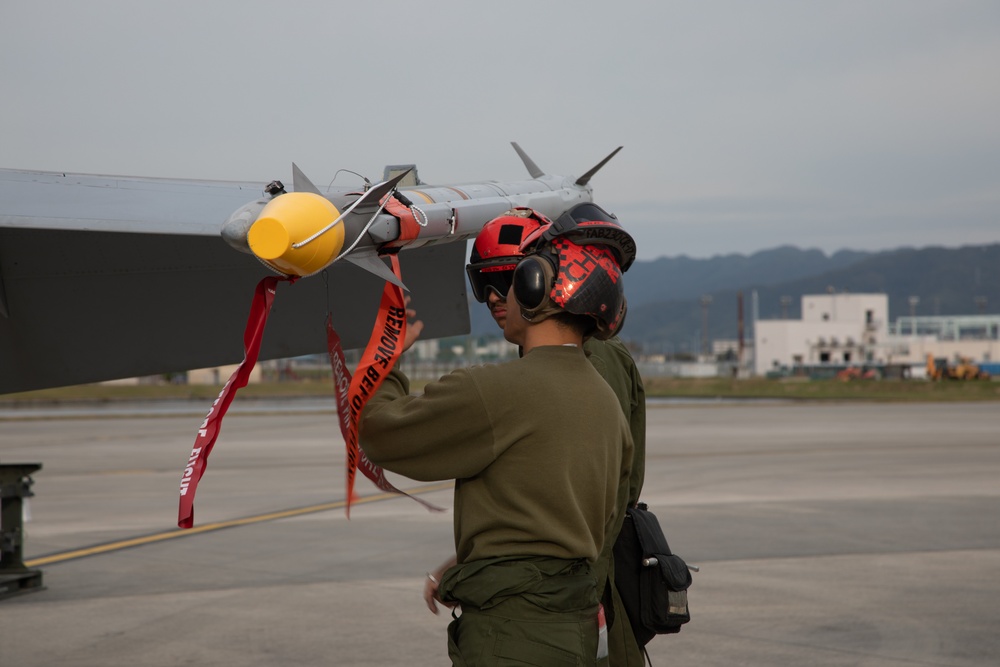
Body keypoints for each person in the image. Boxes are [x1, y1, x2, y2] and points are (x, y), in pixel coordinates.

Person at [359, 214, 635, 665]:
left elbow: (380, 431)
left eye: (507, 283)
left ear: (533, 286)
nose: (495, 298)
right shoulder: (606, 399)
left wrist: (384, 361)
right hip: (574, 630)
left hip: (511, 635)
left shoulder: (494, 389)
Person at [436, 206, 647, 665]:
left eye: (508, 280)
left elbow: (604, 497)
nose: (496, 298)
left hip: (570, 603)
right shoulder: (548, 365)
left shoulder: (588, 360)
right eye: (482, 284)